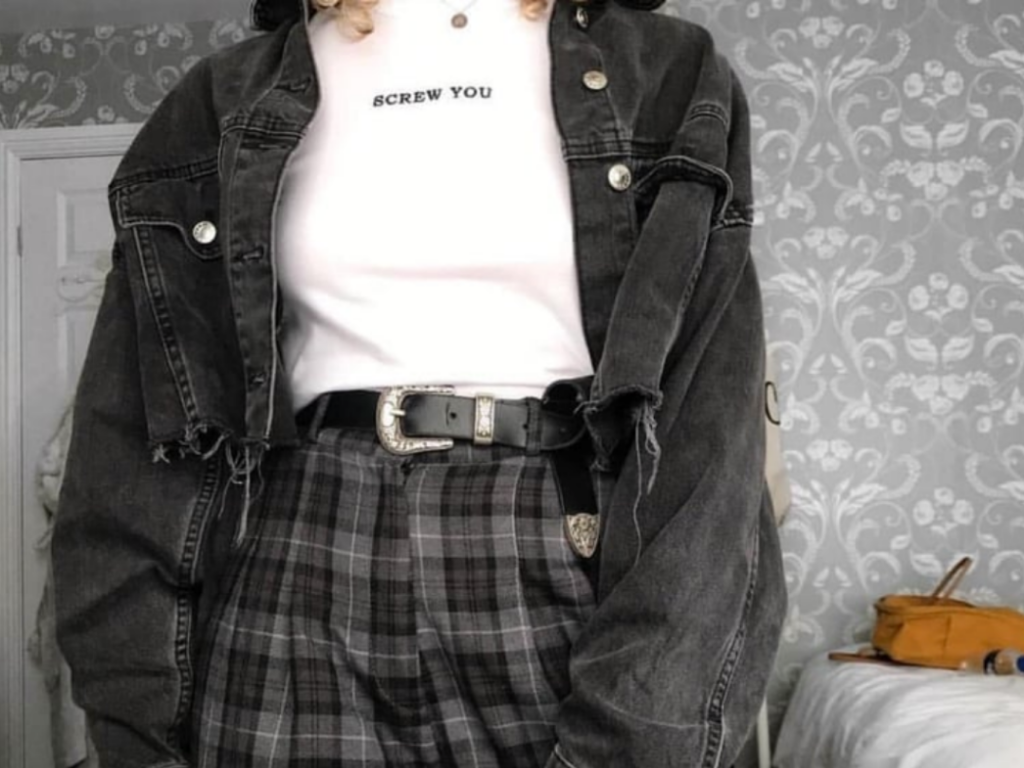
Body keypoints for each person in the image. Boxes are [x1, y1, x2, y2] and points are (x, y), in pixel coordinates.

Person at [51, 0, 787, 765]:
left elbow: (709, 430)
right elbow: (130, 440)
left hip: (558, 538)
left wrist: (650, 717)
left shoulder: (666, 71)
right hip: (296, 543)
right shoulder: (222, 95)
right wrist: (135, 722)